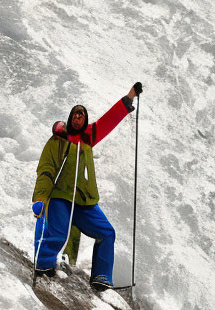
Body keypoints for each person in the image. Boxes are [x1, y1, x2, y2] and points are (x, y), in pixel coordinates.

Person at [32, 83, 142, 291]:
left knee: (107, 232)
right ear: (69, 117)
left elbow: (108, 120)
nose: (78, 117)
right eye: (75, 114)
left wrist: (129, 97)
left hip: (84, 199)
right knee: (58, 233)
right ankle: (43, 264)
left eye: (81, 115)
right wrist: (40, 198)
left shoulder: (88, 137)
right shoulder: (58, 140)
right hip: (60, 197)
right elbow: (46, 170)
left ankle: (101, 276)